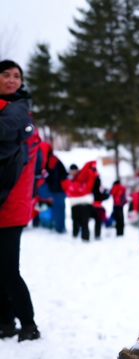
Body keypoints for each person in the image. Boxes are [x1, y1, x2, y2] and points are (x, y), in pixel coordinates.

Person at [0, 60, 41, 341]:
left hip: (11, 204)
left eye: (16, 75)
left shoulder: (16, 111)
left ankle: (28, 324)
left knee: (8, 269)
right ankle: (5, 321)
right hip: (7, 201)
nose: (12, 79)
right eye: (6, 74)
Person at [62, 162, 97, 241]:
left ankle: (85, 239)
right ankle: (75, 237)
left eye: (75, 170)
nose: (73, 172)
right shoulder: (68, 180)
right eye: (72, 170)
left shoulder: (83, 177)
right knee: (75, 221)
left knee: (85, 222)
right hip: (74, 203)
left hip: (85, 203)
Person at [44, 144, 68, 233]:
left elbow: (51, 176)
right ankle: (58, 226)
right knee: (59, 209)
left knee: (59, 209)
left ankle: (59, 228)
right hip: (59, 190)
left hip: (58, 190)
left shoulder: (51, 159)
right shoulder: (52, 159)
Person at [91, 171, 109, 239]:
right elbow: (99, 196)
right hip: (96, 206)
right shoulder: (96, 186)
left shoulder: (91, 184)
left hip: (93, 206)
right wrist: (106, 194)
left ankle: (96, 235)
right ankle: (97, 235)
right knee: (98, 221)